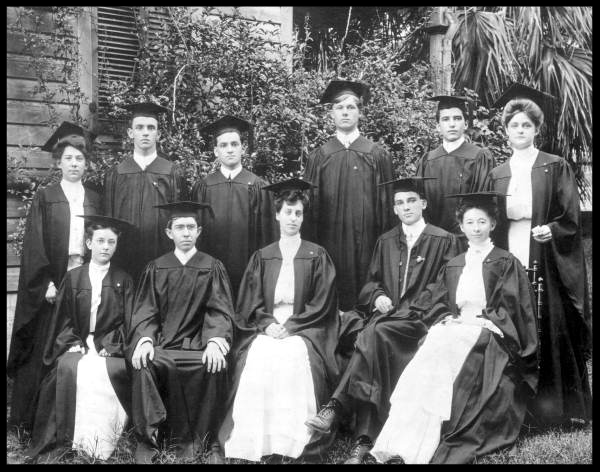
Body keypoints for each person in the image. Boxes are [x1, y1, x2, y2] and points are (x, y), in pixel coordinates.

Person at [370, 192, 539, 464]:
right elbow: (438, 302)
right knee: (431, 348)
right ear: (461, 227)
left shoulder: (506, 262)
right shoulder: (454, 264)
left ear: (493, 224)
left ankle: (420, 444)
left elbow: (515, 310)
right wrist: (445, 317)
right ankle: (399, 443)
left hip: (489, 331)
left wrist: (482, 319)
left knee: (441, 345)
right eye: (469, 223)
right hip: (456, 326)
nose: (476, 228)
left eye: (481, 222)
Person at [306, 177, 460, 464]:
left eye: (412, 200)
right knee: (373, 338)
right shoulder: (386, 241)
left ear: (423, 204)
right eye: (400, 203)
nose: (406, 207)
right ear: (394, 209)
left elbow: (444, 287)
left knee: (373, 333)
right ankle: (363, 440)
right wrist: (377, 296)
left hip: (419, 319)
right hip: (387, 323)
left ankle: (338, 408)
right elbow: (371, 282)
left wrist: (409, 309)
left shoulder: (444, 240)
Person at [485, 83, 592, 426]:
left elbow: (571, 216)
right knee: (514, 322)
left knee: (548, 323)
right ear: (505, 131)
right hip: (510, 251)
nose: (520, 130)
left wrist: (554, 230)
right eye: (514, 125)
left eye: (526, 125)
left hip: (545, 254)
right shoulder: (497, 174)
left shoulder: (554, 165)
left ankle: (556, 408)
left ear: (536, 129)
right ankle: (517, 408)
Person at [218, 178, 339, 463]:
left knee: (294, 356)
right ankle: (258, 438)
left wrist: (293, 326)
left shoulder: (317, 255)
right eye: (288, 212)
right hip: (268, 326)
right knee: (261, 355)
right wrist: (266, 323)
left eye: (298, 213)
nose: (293, 219)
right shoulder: (263, 256)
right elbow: (249, 302)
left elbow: (322, 303)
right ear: (277, 214)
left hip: (305, 328)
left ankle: (292, 438)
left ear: (303, 216)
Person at [7, 122, 102, 432]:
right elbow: (35, 244)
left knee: (79, 340)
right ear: (59, 162)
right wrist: (45, 281)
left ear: (87, 163)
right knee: (44, 345)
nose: (74, 164)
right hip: (54, 279)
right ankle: (32, 422)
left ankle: (75, 421)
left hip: (84, 276)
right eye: (69, 158)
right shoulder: (46, 196)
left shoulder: (94, 198)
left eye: (80, 159)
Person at [127, 201, 234, 464]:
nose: (186, 232)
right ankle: (150, 440)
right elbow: (146, 311)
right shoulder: (156, 267)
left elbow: (219, 310)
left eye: (191, 227)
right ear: (169, 233)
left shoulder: (212, 266)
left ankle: (206, 442)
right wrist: (145, 340)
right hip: (162, 346)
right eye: (180, 227)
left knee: (214, 364)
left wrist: (215, 341)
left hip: (198, 346)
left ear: (199, 231)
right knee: (144, 364)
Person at [24, 215, 136, 463]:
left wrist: (112, 344)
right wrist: (72, 341)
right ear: (88, 244)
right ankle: (70, 439)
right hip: (77, 341)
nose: (105, 247)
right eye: (100, 241)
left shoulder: (124, 279)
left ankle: (105, 443)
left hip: (109, 344)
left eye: (111, 242)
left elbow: (128, 321)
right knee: (69, 369)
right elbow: (63, 319)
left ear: (117, 245)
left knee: (110, 372)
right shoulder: (74, 277)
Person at [304, 79, 394, 311]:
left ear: (359, 113)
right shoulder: (319, 157)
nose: (345, 112)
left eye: (351, 107)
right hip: (329, 245)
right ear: (331, 114)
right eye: (339, 107)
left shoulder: (377, 155)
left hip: (368, 246)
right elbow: (310, 212)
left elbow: (386, 210)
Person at [192, 115, 275, 298]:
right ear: (215, 151)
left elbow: (267, 236)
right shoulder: (203, 187)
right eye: (223, 145)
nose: (230, 150)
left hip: (249, 276)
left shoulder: (258, 186)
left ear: (242, 148)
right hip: (210, 277)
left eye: (234, 144)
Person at [103, 101, 186, 283]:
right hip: (123, 259)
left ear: (159, 134)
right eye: (139, 127)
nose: (145, 132)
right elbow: (108, 219)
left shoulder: (172, 172)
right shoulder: (116, 173)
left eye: (151, 127)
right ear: (130, 133)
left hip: (162, 258)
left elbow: (179, 220)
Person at [417, 95, 495, 251]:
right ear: (438, 126)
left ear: (465, 124)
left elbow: (483, 202)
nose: (452, 124)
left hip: (467, 243)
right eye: (445, 119)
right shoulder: (427, 160)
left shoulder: (479, 157)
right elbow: (420, 205)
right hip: (432, 243)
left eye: (457, 118)